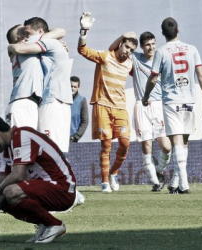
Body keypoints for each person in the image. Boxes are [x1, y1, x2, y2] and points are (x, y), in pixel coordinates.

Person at [0, 114, 76, 243]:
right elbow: (2, 180)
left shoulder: (22, 136)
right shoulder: (8, 148)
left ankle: (54, 224)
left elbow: (18, 175)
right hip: (47, 189)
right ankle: (45, 224)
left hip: (63, 189)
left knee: (10, 191)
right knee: (1, 199)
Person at [142, 17, 202, 194]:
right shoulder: (192, 49)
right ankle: (176, 182)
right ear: (178, 31)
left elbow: (153, 77)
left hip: (171, 101)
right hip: (189, 100)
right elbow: (201, 75)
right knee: (184, 142)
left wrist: (146, 95)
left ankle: (185, 183)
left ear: (162, 33)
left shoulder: (161, 52)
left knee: (177, 142)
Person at [77, 12, 138, 193]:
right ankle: (104, 182)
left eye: (131, 50)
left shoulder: (130, 64)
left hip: (120, 108)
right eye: (126, 47)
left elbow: (142, 76)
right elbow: (83, 50)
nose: (128, 51)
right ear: (120, 44)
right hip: (103, 105)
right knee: (106, 145)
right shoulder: (105, 57)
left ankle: (113, 173)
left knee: (125, 143)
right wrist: (84, 31)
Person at [110, 31, 172, 192]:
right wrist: (123, 37)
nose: (151, 47)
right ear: (142, 47)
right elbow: (114, 49)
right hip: (141, 106)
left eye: (153, 44)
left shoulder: (162, 59)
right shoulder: (136, 58)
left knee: (166, 147)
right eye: (147, 45)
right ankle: (155, 182)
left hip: (159, 106)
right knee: (147, 145)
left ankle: (158, 171)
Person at [8, 17, 73, 153]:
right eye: (24, 33)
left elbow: (60, 32)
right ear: (20, 37)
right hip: (27, 102)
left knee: (45, 150)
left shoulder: (37, 45)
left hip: (45, 101)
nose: (27, 35)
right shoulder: (24, 46)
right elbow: (60, 31)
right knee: (37, 151)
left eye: (28, 32)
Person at [5, 24, 65, 129]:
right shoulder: (25, 44)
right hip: (23, 104)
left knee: (27, 144)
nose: (29, 33)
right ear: (21, 37)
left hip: (23, 102)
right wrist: (55, 43)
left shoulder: (22, 48)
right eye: (25, 31)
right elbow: (60, 31)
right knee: (23, 144)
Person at [70, 76, 89, 142]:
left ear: (78, 87)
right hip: (60, 137)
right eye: (71, 86)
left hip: (72, 138)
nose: (72, 88)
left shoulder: (82, 100)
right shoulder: (61, 99)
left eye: (75, 87)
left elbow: (85, 121)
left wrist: (76, 137)